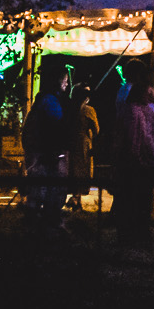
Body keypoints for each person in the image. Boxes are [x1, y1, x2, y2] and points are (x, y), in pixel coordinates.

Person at [122, 81, 154, 241]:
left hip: (135, 157)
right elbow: (141, 136)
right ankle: (139, 233)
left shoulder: (133, 110)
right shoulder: (136, 112)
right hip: (136, 159)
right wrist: (150, 154)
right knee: (140, 198)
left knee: (137, 198)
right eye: (148, 94)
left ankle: (135, 232)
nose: (151, 97)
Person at [22, 75, 66, 214]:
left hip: (39, 150)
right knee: (44, 188)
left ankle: (35, 215)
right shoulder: (50, 102)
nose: (66, 85)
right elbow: (56, 123)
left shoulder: (42, 102)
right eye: (64, 81)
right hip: (43, 151)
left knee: (39, 187)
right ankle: (44, 217)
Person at [64, 81, 100, 210]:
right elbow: (96, 129)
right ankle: (76, 198)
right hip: (83, 143)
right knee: (83, 170)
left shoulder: (68, 108)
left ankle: (74, 197)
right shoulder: (88, 110)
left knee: (72, 170)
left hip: (69, 142)